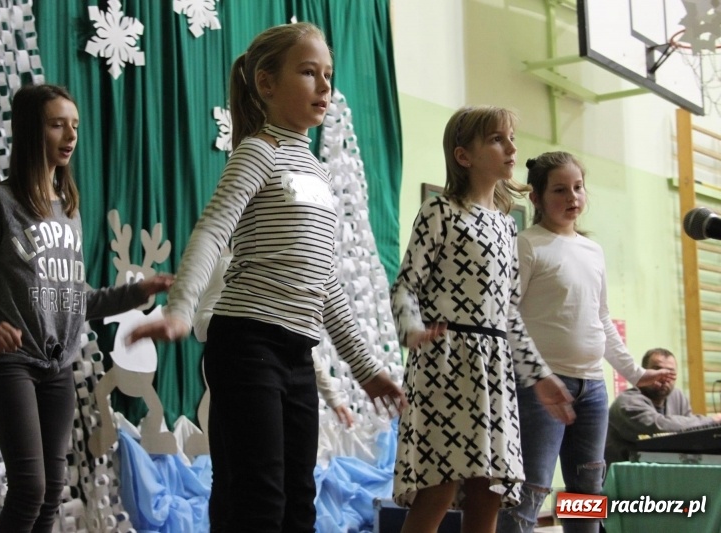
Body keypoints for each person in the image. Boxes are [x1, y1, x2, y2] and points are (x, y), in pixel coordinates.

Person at [127, 22, 406, 533]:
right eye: (308, 72)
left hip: (296, 352)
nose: (324, 86)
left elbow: (326, 284)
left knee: (300, 498)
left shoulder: (319, 174)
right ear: (267, 83)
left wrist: (365, 369)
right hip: (247, 343)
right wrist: (181, 310)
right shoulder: (259, 151)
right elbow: (212, 230)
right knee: (258, 497)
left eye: (328, 74)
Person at [0, 83, 173, 533]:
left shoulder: (67, 209)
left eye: (74, 126)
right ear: (33, 131)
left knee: (53, 491)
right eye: (57, 125)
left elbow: (76, 300)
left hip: (59, 367)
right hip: (12, 364)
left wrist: (134, 293)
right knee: (30, 488)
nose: (69, 136)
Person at [390, 106, 575, 533]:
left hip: (493, 369)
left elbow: (508, 312)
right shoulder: (440, 213)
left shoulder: (507, 226)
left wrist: (540, 375)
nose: (512, 147)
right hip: (445, 362)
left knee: (488, 492)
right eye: (497, 139)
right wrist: (412, 330)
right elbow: (404, 286)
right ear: (464, 156)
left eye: (511, 137)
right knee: (437, 489)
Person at [495, 152, 674, 533]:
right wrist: (537, 375)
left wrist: (636, 372)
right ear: (538, 198)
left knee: (586, 490)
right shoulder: (527, 245)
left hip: (592, 387)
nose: (572, 196)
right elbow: (506, 315)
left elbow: (601, 318)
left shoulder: (593, 251)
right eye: (560, 189)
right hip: (540, 389)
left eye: (578, 188)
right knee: (532, 489)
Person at [193, 247, 354, 428]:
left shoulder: (293, 274)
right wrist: (246, 316)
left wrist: (334, 398)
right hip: (242, 378)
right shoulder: (228, 265)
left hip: (285, 386)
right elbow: (200, 328)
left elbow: (301, 346)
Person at [605, 347, 721, 467]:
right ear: (644, 373)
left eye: (670, 373)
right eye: (657, 371)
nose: (664, 377)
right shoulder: (627, 402)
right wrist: (713, 421)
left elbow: (690, 432)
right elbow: (659, 426)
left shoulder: (677, 396)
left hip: (664, 470)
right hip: (627, 477)